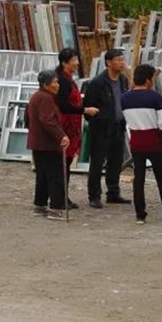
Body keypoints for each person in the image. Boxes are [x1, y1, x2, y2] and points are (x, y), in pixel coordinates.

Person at [122, 64, 162, 225]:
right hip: (155, 142)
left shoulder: (124, 98)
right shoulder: (154, 97)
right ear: (148, 79)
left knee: (139, 179)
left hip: (136, 142)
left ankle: (140, 215)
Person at [82, 48, 132, 208]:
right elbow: (87, 108)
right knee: (97, 162)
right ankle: (94, 195)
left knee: (116, 162)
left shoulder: (123, 80)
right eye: (118, 60)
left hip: (118, 127)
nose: (121, 63)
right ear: (109, 62)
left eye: (123, 59)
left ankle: (113, 193)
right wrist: (99, 119)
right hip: (101, 129)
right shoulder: (97, 83)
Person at [55, 48, 99, 209]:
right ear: (65, 62)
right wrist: (83, 110)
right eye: (73, 60)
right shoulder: (63, 81)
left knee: (65, 163)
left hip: (71, 125)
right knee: (62, 164)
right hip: (66, 125)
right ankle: (59, 198)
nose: (77, 63)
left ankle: (62, 196)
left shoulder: (68, 79)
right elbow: (63, 105)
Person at [27, 70, 70, 221]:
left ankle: (40, 205)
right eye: (55, 82)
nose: (57, 85)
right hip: (48, 144)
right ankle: (55, 208)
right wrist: (61, 136)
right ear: (46, 84)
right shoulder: (45, 98)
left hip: (38, 143)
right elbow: (48, 120)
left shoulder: (36, 97)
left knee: (43, 176)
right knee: (55, 176)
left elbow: (28, 119)